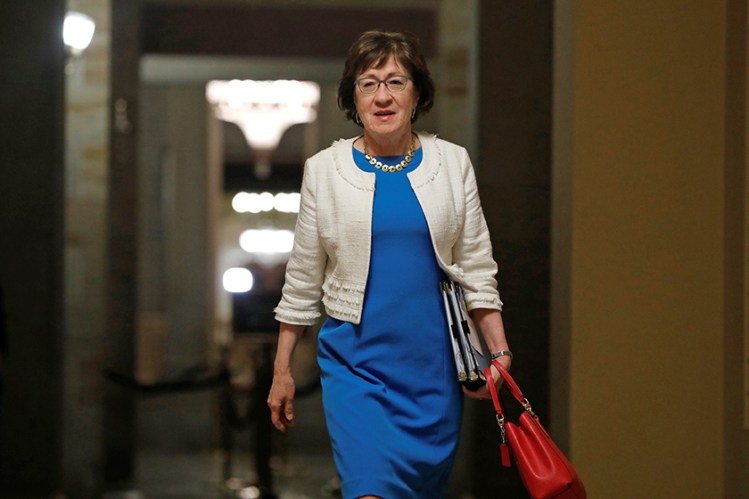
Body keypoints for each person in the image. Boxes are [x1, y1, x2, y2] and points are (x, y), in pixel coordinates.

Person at [268, 30, 512, 499]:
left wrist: (498, 353)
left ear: (416, 93)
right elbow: (301, 279)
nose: (382, 95)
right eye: (368, 83)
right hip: (355, 365)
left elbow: (478, 267)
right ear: (352, 97)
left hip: (432, 368)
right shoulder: (325, 169)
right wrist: (282, 370)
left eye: (396, 82)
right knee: (369, 489)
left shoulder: (452, 163)